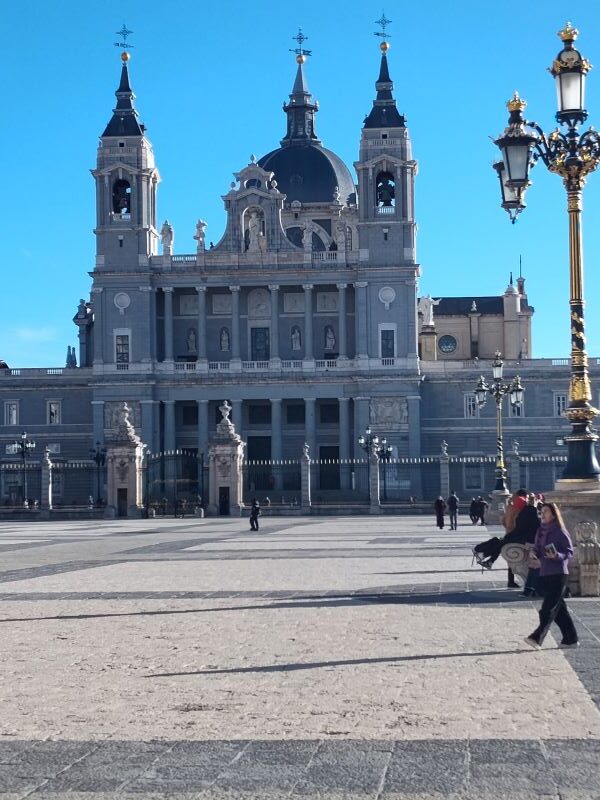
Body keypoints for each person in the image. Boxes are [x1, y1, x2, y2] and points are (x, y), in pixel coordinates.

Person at [523, 502, 579, 649]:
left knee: (547, 609)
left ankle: (536, 638)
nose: (543, 514)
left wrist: (557, 555)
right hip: (545, 572)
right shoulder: (541, 531)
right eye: (542, 511)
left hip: (559, 573)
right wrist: (533, 553)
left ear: (553, 514)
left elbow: (569, 552)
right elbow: (538, 548)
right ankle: (571, 639)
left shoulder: (560, 531)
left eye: (546, 511)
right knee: (559, 609)